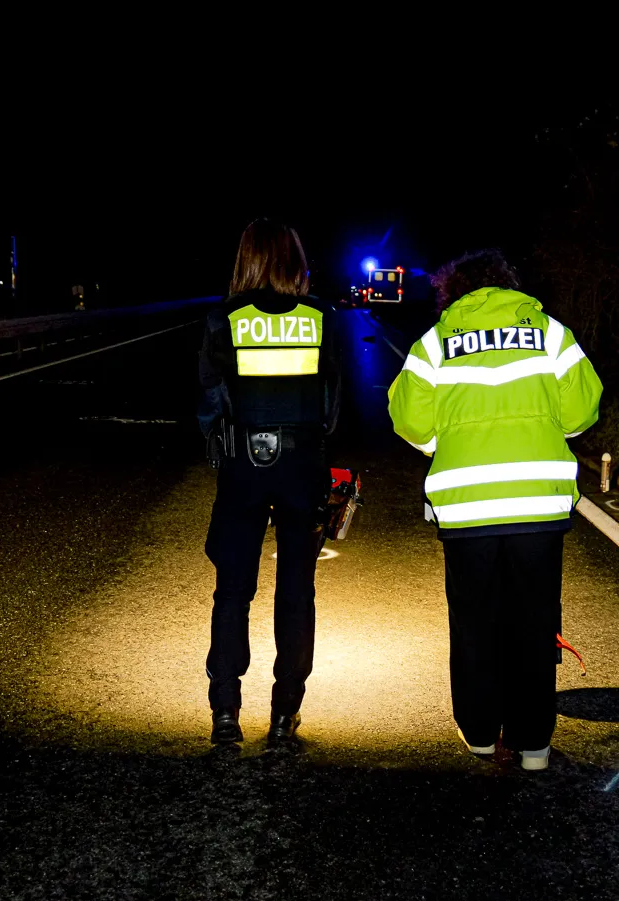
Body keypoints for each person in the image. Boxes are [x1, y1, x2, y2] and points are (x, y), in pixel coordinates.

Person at [387, 249, 602, 770]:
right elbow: (582, 412)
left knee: (474, 621)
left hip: (468, 507)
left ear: (452, 292)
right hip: (537, 504)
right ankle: (534, 745)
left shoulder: (434, 343)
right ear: (509, 286)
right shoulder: (551, 334)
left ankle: (481, 733)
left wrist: (446, 444)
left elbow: (410, 422)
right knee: (534, 621)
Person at [198, 219, 341, 745]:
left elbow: (210, 401)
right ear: (295, 262)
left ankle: (225, 712)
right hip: (302, 465)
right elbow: (331, 406)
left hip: (243, 464)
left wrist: (227, 448)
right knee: (297, 591)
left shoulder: (224, 317)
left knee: (232, 591)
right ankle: (284, 714)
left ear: (247, 260)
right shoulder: (321, 317)